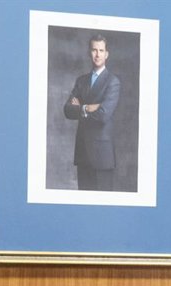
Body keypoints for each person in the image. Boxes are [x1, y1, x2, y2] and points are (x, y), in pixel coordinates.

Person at [63, 33, 121, 191]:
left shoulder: (113, 82)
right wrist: (87, 107)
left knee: (102, 202)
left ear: (106, 54)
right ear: (89, 52)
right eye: (94, 50)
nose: (97, 54)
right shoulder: (81, 81)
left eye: (101, 50)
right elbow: (67, 110)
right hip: (83, 154)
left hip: (102, 156)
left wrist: (80, 107)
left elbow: (103, 115)